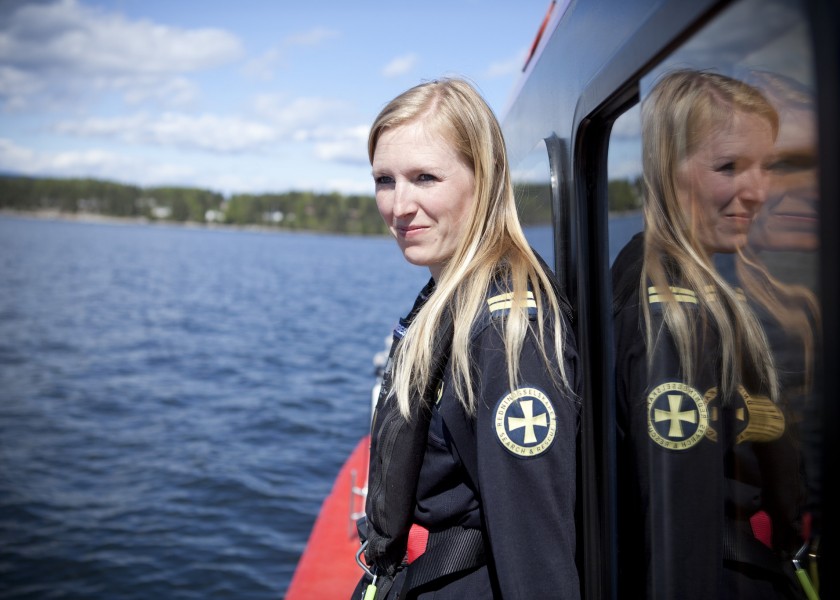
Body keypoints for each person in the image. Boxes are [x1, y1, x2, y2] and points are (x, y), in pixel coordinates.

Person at [354, 78, 581, 599]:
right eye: (384, 180)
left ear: (485, 179)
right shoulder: (449, 298)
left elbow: (536, 558)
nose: (399, 206)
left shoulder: (508, 332)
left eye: (425, 177)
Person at [612, 70, 810, 599]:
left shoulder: (658, 276)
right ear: (664, 171)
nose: (759, 191)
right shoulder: (676, 319)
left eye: (766, 167)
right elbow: (681, 538)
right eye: (729, 167)